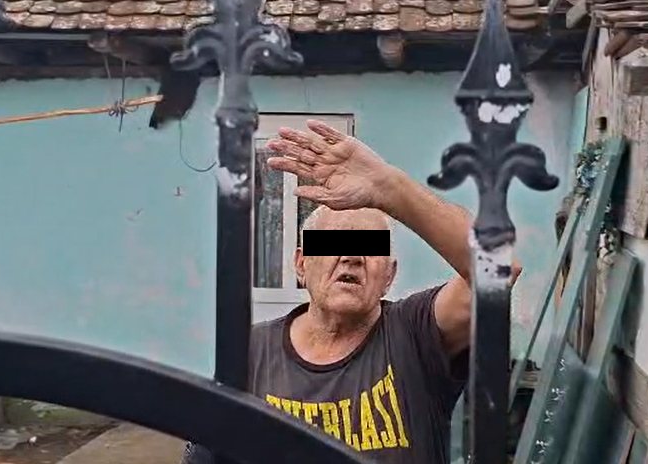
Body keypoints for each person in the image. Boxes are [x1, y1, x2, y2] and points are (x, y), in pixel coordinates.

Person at [180, 120, 520, 464]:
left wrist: (391, 188)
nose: (352, 256)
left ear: (389, 276)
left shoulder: (415, 334)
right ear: (301, 264)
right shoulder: (250, 353)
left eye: (370, 247)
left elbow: (499, 268)